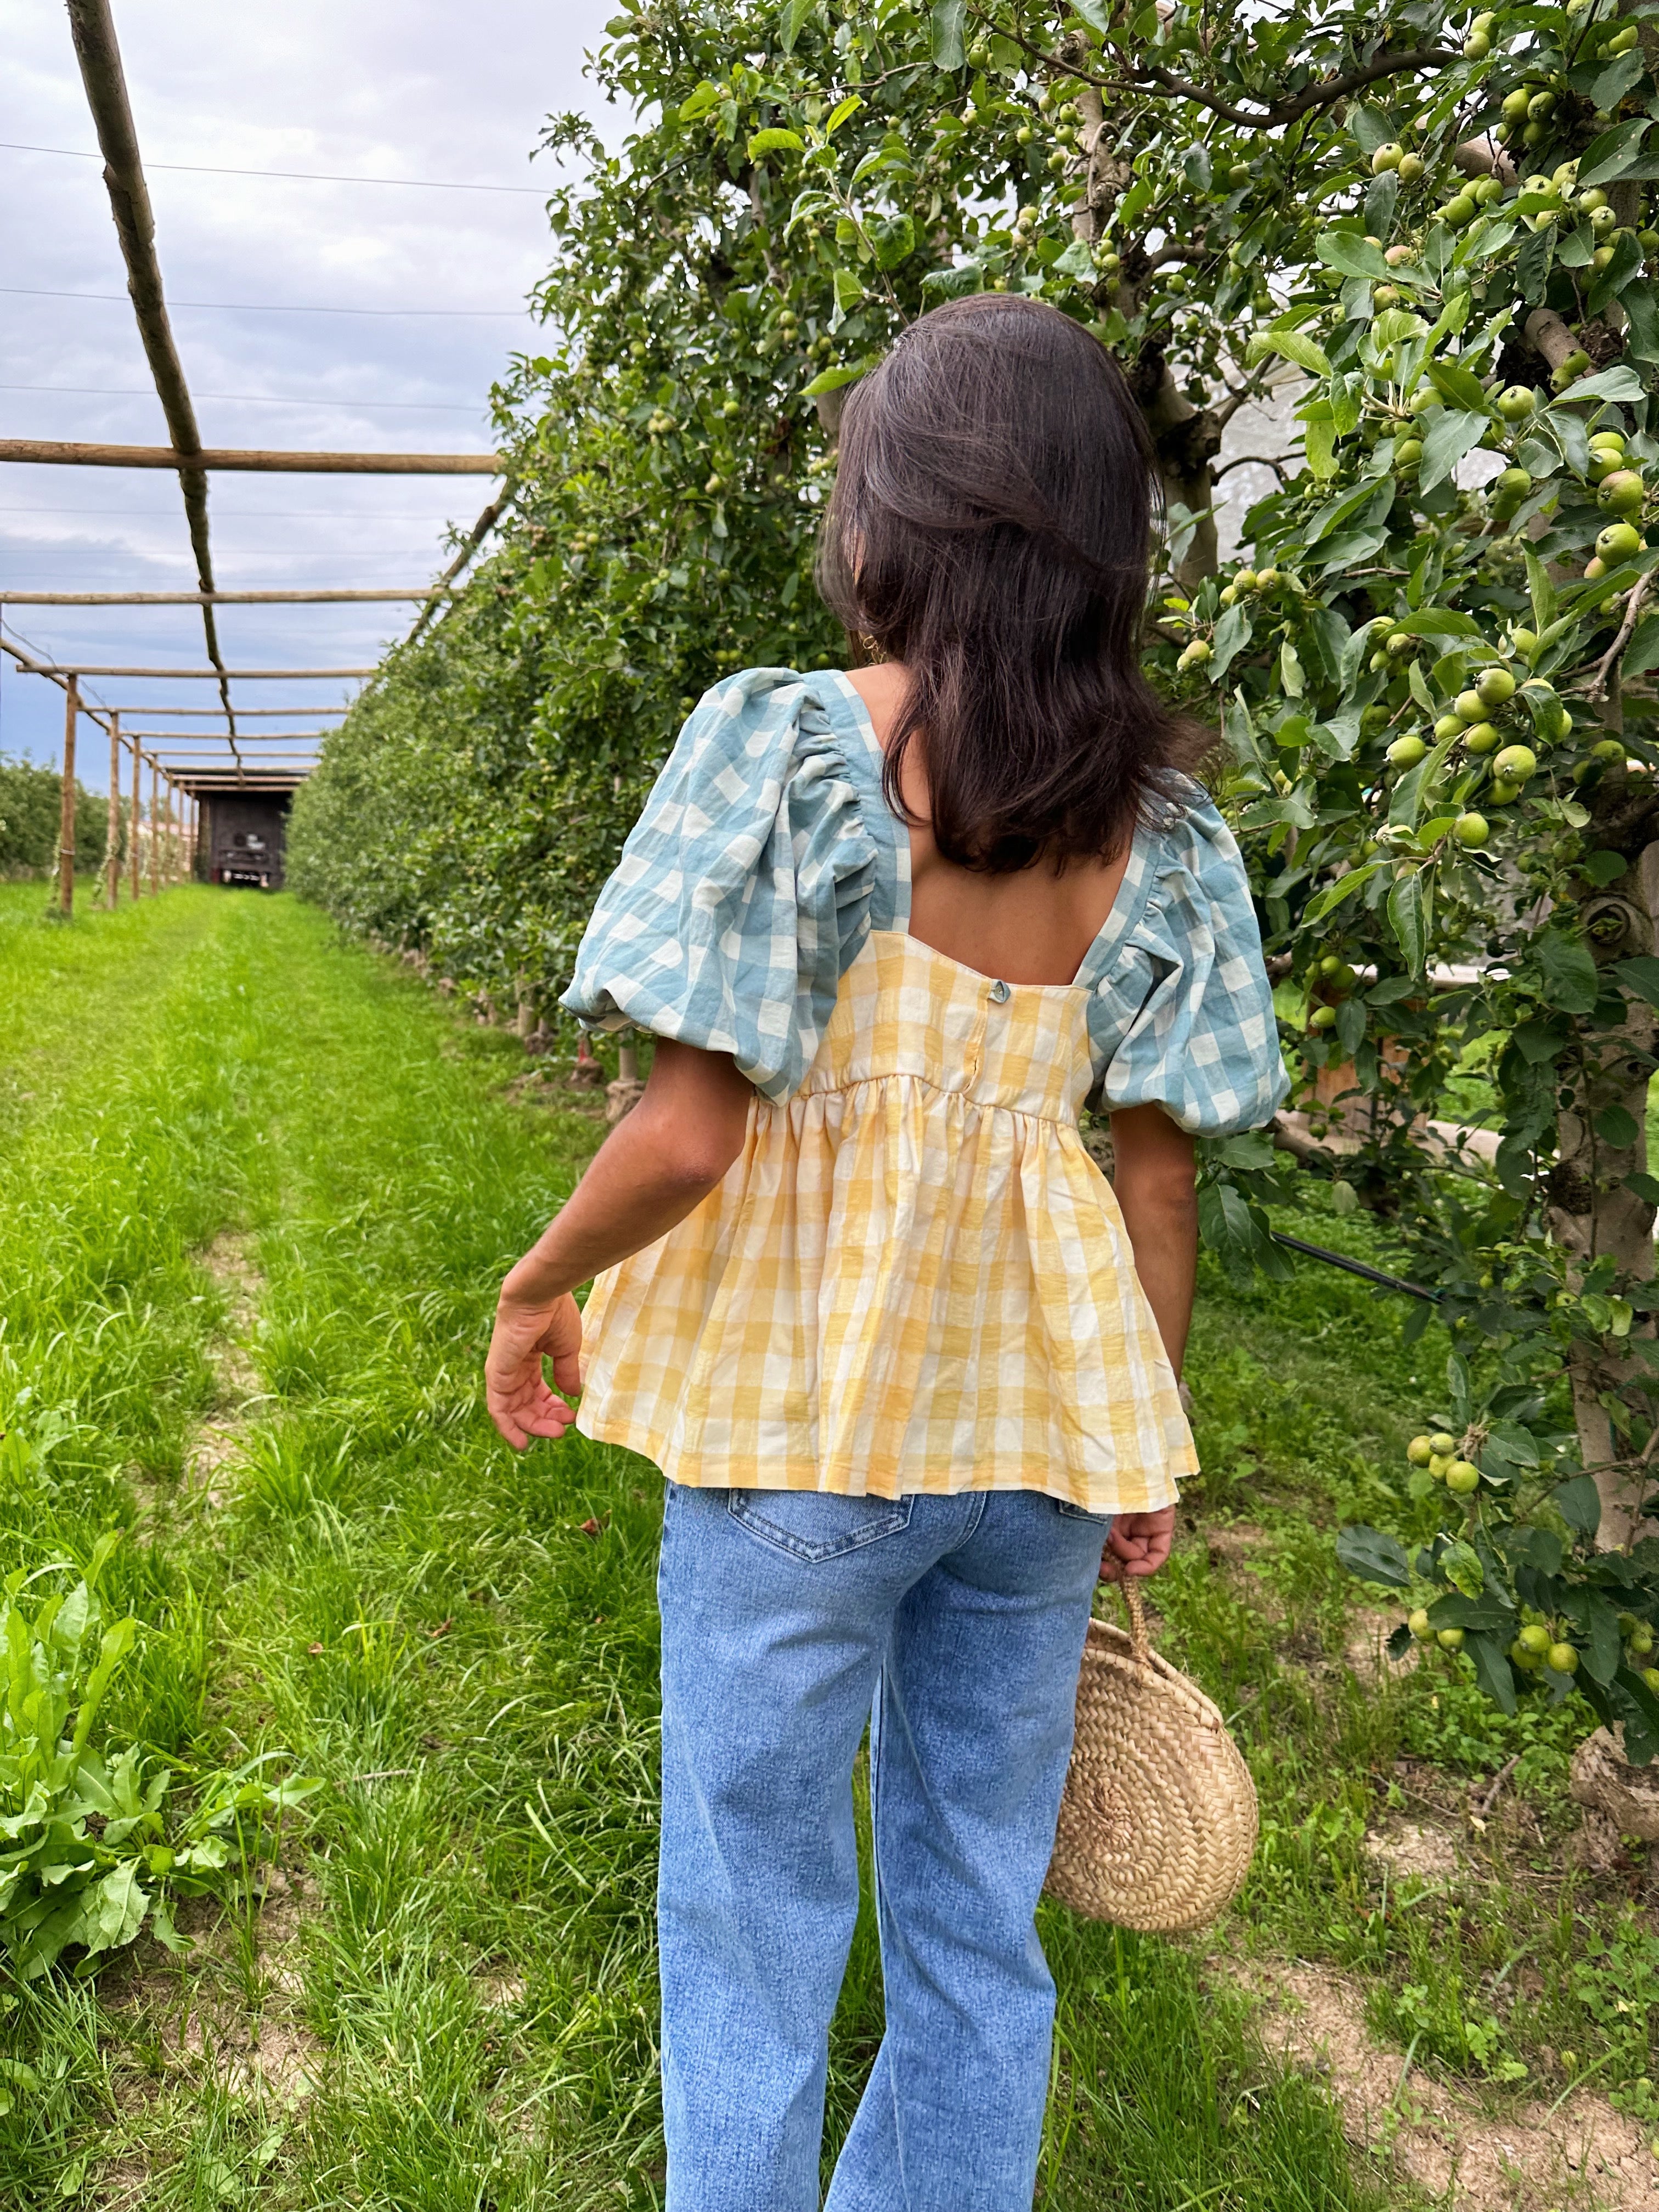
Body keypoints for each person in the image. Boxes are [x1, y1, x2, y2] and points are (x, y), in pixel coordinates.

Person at [484, 294, 1287, 2212]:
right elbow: (1157, 1188)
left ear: (886, 518)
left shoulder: (789, 748)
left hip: (801, 1439)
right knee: (972, 1917)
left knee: (753, 1913)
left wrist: (535, 1290)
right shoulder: (1165, 835)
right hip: (1029, 1449)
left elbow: (691, 1130)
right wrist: (1140, 1442)